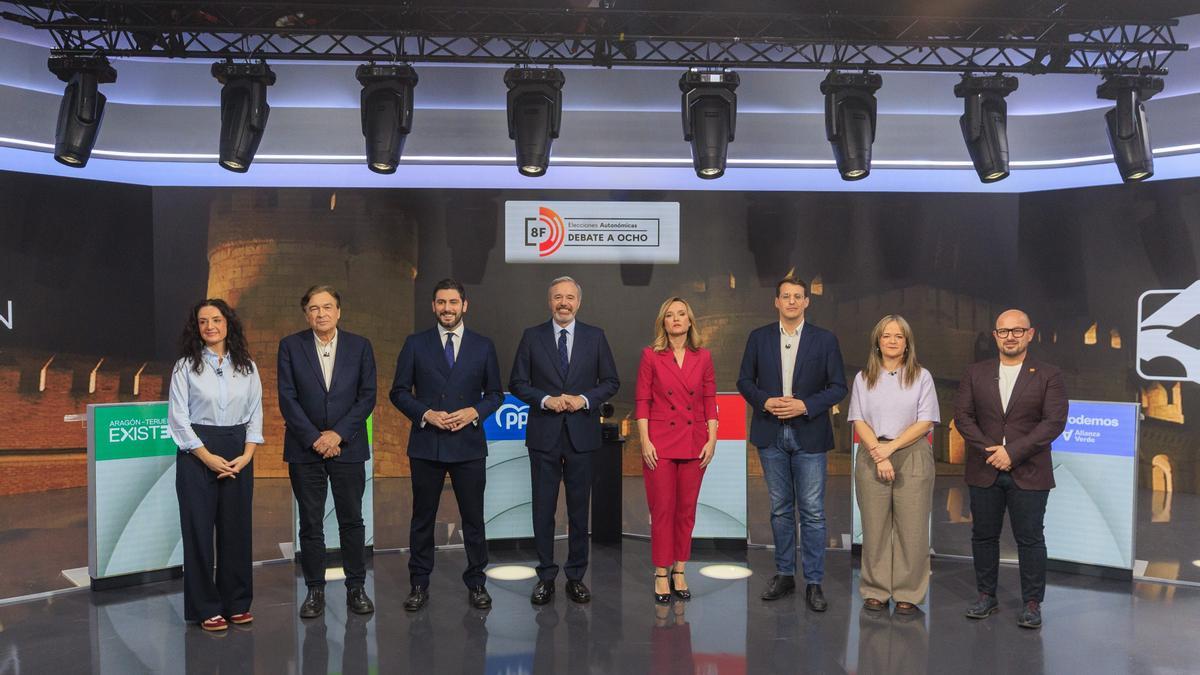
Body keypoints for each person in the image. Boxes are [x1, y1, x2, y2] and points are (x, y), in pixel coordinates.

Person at [391, 278, 503, 611]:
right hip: (427, 444)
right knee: (422, 519)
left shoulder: (483, 346)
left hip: (468, 444)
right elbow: (398, 392)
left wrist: (474, 411)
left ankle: (477, 583)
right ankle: (418, 584)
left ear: (464, 306)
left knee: (474, 519)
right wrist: (426, 413)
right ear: (433, 306)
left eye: (453, 302)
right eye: (441, 302)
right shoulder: (415, 343)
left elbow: (495, 394)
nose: (447, 309)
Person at [736, 276, 847, 611]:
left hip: (809, 433)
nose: (792, 302)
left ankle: (814, 582)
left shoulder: (824, 340)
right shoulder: (759, 338)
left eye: (798, 297)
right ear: (777, 301)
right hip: (771, 434)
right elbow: (744, 380)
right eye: (786, 296)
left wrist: (806, 405)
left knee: (812, 512)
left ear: (806, 302)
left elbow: (838, 386)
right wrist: (764, 402)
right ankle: (785, 574)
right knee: (780, 510)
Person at [953, 308, 1067, 629]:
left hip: (1029, 470)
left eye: (1018, 331)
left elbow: (1053, 422)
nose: (1010, 337)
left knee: (1030, 539)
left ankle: (1032, 603)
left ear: (1030, 334)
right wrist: (993, 452)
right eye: (1004, 331)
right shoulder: (975, 372)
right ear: (995, 336)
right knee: (983, 536)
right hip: (984, 467)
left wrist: (1012, 453)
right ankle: (986, 596)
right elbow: (963, 417)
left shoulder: (1049, 375)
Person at [510, 276, 620, 605]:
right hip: (544, 434)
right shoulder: (532, 337)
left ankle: (575, 576)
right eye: (558, 296)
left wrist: (583, 399)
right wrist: (545, 399)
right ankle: (545, 575)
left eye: (569, 297)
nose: (563, 302)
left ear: (578, 302)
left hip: (581, 435)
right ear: (549, 301)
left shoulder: (595, 337)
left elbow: (610, 381)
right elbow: (517, 382)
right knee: (543, 510)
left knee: (577, 511)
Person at [277, 285, 377, 618]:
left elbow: (367, 397)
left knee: (352, 521)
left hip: (348, 448)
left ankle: (356, 587)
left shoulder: (360, 347)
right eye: (314, 308)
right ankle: (314, 591)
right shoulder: (291, 346)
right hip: (305, 451)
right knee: (310, 524)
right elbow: (287, 399)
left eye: (328, 307)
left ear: (338, 311)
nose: (321, 313)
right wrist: (314, 438)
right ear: (306, 313)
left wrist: (337, 435)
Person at [168, 299, 263, 632]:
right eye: (203, 321)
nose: (210, 326)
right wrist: (207, 457)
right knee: (198, 533)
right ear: (196, 327)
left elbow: (255, 416)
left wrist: (248, 455)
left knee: (236, 531)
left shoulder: (247, 367)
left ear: (228, 324)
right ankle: (206, 606)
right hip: (197, 455)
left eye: (217, 319)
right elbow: (178, 419)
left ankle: (237, 602)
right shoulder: (184, 367)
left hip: (238, 453)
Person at [846, 314, 939, 615]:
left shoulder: (921, 377)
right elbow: (858, 419)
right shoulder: (864, 378)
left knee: (911, 529)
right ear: (877, 341)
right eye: (887, 335)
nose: (892, 341)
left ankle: (908, 593)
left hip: (911, 452)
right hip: (872, 453)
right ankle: (875, 589)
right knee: (874, 527)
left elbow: (925, 422)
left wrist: (891, 449)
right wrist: (878, 451)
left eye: (899, 336)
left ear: (907, 342)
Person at [635, 297, 718, 603]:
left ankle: (679, 570)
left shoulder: (704, 357)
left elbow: (709, 399)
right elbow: (642, 400)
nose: (676, 319)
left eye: (681, 314)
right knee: (662, 510)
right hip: (660, 442)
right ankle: (661, 572)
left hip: (695, 441)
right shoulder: (651, 356)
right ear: (664, 323)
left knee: (686, 511)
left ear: (690, 320)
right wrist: (644, 440)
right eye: (670, 315)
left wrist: (712, 438)